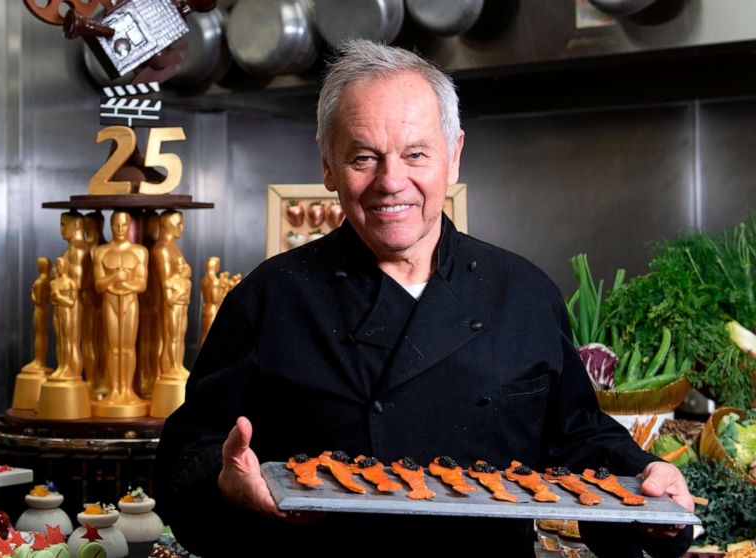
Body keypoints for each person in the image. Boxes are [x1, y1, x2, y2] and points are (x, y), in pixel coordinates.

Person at [154, 39, 694, 557]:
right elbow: (187, 458)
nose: (392, 182)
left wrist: (647, 489)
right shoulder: (267, 300)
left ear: (453, 156)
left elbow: (576, 441)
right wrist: (226, 485)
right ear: (327, 164)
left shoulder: (523, 294)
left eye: (416, 154)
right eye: (364, 157)